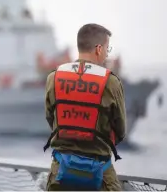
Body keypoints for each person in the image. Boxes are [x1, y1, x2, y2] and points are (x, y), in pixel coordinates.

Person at [44, 23, 126, 191]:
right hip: (100, 175)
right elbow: (121, 131)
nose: (106, 55)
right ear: (98, 49)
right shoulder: (111, 82)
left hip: (60, 173)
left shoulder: (54, 77)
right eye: (107, 49)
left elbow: (50, 118)